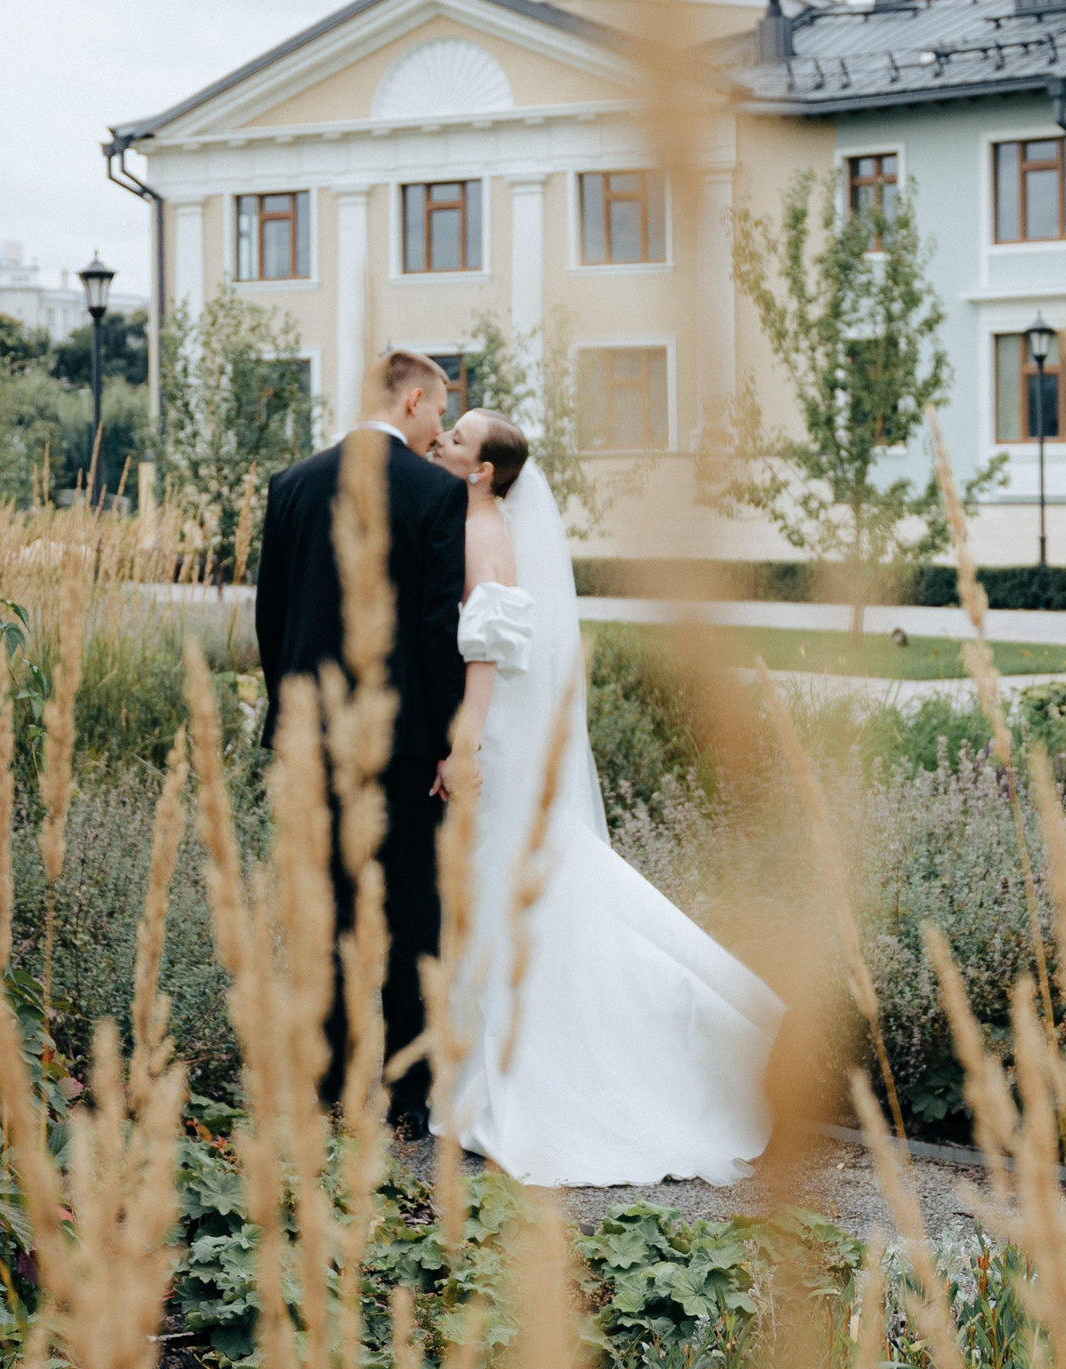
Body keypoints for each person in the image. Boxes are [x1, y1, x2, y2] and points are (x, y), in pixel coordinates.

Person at [427, 409, 784, 1186]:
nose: (442, 441)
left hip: (493, 736)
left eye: (456, 437)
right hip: (506, 736)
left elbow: (488, 648)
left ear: (483, 469)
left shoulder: (483, 531)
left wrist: (465, 745)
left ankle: (514, 1078)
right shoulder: (478, 518)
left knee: (502, 893)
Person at [253, 350, 467, 1137]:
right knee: (414, 917)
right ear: (412, 400)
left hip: (311, 739)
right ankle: (409, 1101)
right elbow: (438, 627)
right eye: (439, 408)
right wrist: (450, 740)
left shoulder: (293, 485)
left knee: (328, 912)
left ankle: (331, 1093)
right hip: (406, 743)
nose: (440, 425)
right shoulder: (435, 493)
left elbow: (270, 623)